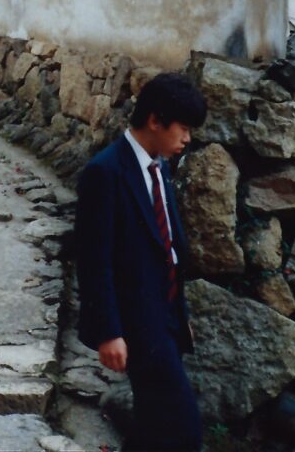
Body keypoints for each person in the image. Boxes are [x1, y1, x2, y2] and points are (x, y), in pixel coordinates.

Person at [75, 72, 207, 452]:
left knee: (153, 426)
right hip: (135, 325)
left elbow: (169, 248)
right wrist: (108, 332)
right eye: (183, 128)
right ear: (154, 120)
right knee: (184, 430)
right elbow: (94, 259)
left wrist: (179, 315)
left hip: (163, 320)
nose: (187, 139)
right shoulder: (106, 172)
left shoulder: (159, 166)